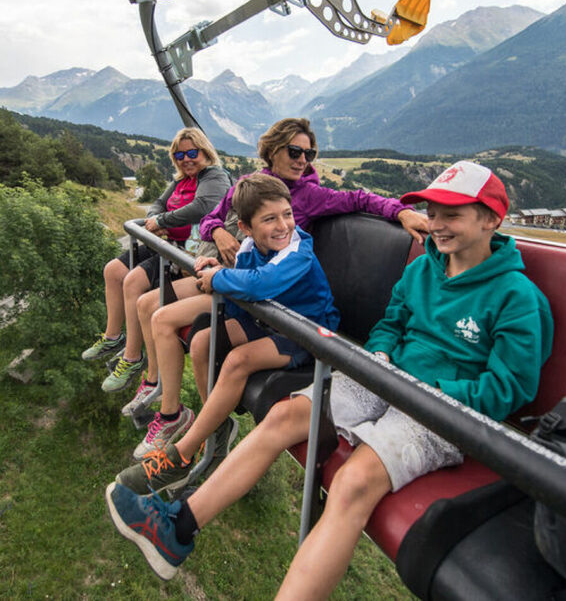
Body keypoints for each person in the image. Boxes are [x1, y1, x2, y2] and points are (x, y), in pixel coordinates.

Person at [105, 160, 554, 596]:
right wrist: (379, 355)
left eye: (451, 215)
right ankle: (178, 527)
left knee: (353, 482)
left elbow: (509, 388)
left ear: (491, 219)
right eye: (432, 213)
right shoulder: (422, 269)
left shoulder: (516, 297)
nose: (436, 225)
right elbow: (391, 323)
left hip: (441, 409)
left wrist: (431, 391)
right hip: (385, 378)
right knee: (283, 417)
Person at [120, 117, 428, 449]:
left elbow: (358, 200)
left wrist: (400, 212)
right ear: (273, 151)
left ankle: (182, 419)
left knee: (167, 317)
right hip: (240, 274)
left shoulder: (308, 199)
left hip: (261, 289)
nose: (302, 160)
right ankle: (191, 411)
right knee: (159, 311)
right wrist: (220, 232)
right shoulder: (249, 186)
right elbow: (211, 219)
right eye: (295, 151)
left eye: (309, 154)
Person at [115, 173, 340, 485]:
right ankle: (215, 428)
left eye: (287, 214)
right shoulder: (248, 248)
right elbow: (241, 302)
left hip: (304, 332)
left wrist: (220, 279)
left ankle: (180, 456)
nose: (283, 226)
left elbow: (261, 284)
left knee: (237, 361)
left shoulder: (298, 250)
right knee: (204, 342)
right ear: (246, 228)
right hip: (268, 320)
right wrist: (221, 274)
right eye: (270, 219)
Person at [82, 128, 231, 394]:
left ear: (205, 152)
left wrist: (163, 221)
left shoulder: (214, 176)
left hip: (184, 250)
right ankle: (113, 336)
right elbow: (157, 204)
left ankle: (132, 357)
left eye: (192, 153)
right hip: (166, 241)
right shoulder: (181, 181)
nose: (186, 160)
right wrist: (156, 220)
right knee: (113, 270)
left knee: (133, 281)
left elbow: (203, 206)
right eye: (179, 155)